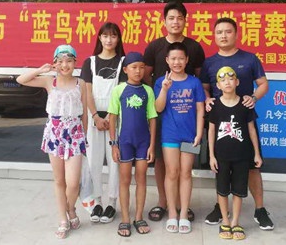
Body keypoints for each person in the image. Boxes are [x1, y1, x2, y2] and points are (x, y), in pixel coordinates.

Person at [201, 17, 274, 231]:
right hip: (219, 122)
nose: (223, 36)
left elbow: (263, 84)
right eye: (219, 32)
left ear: (236, 34)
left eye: (228, 31)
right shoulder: (209, 62)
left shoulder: (249, 59)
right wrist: (207, 99)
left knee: (252, 167)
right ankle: (221, 208)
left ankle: (260, 209)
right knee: (221, 167)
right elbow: (204, 87)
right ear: (214, 36)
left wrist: (254, 97)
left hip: (244, 120)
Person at [143, 1, 205, 223]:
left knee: (184, 167)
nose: (175, 22)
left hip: (187, 115)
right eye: (171, 18)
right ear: (164, 21)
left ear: (185, 20)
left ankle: (181, 205)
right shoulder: (155, 47)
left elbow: (200, 79)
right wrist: (157, 98)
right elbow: (145, 76)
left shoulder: (194, 47)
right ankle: (164, 202)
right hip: (162, 112)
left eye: (179, 18)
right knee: (162, 161)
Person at [16, 45, 87, 240]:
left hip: (74, 135)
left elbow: (84, 113)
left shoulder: (81, 83)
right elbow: (21, 80)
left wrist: (84, 137)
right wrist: (41, 70)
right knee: (59, 180)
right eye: (60, 61)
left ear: (75, 63)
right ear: (55, 63)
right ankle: (63, 219)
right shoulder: (49, 81)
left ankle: (70, 208)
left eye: (69, 61)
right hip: (55, 134)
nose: (65, 65)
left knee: (73, 183)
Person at [153, 42, 205, 234]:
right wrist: (165, 89)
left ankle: (184, 213)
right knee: (172, 172)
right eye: (173, 59)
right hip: (170, 135)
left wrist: (199, 133)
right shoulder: (161, 82)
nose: (177, 62)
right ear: (167, 60)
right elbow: (158, 108)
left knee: (186, 173)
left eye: (181, 58)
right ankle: (172, 213)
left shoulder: (194, 82)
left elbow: (200, 109)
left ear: (187, 60)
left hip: (190, 136)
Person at [208, 66, 262, 241]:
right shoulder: (215, 105)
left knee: (239, 190)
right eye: (223, 80)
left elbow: (251, 130)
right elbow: (211, 131)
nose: (227, 82)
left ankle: (235, 222)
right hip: (221, 157)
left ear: (237, 82)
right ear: (218, 85)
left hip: (242, 156)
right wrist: (211, 156)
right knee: (222, 190)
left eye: (231, 79)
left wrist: (256, 154)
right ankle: (225, 220)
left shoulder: (245, 105)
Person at [80, 22, 126, 223]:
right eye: (105, 36)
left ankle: (112, 203)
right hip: (94, 120)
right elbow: (87, 92)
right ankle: (97, 202)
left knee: (115, 161)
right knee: (94, 160)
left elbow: (122, 91)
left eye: (113, 36)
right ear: (99, 38)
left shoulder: (123, 62)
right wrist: (96, 116)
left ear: (118, 39)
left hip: (115, 119)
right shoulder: (89, 62)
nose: (109, 40)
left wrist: (109, 117)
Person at [108, 51, 157, 237]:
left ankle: (138, 217)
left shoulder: (148, 91)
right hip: (125, 142)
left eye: (141, 67)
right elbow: (113, 118)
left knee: (141, 178)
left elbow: (152, 118)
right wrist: (114, 144)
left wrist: (152, 145)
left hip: (143, 142)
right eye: (134, 67)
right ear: (126, 70)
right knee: (125, 180)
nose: (138, 71)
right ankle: (125, 219)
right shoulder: (119, 90)